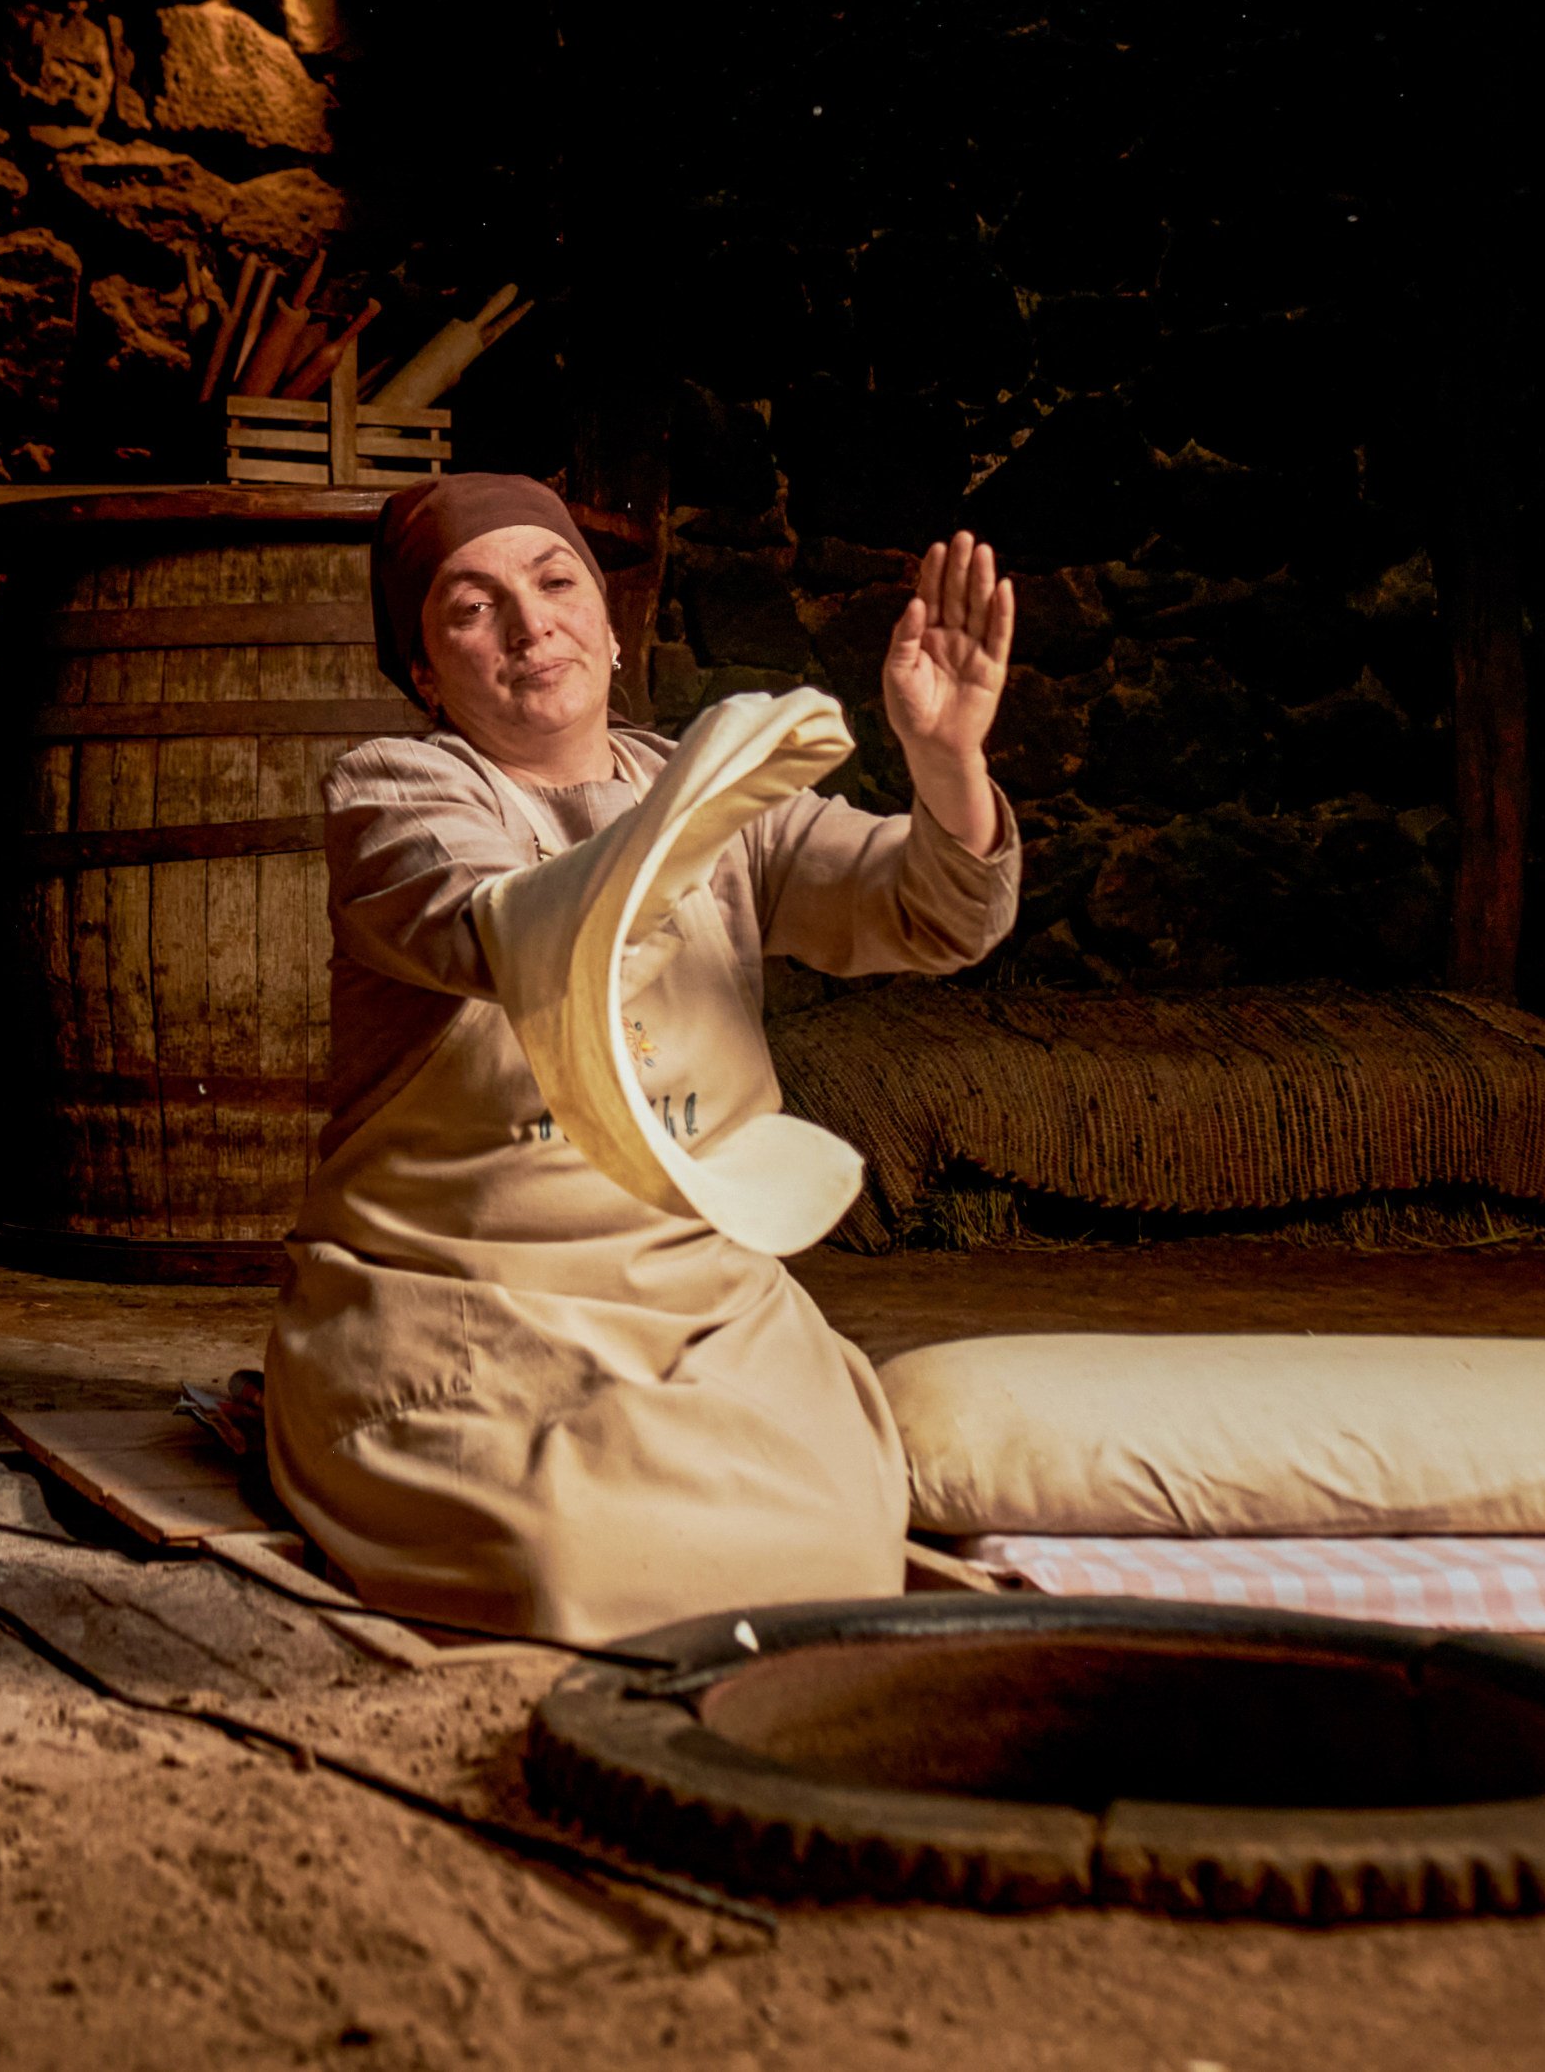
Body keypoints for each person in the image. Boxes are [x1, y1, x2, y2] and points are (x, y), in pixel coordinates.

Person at [267, 473, 1021, 1640]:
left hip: (702, 1301)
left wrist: (945, 763)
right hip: (459, 1299)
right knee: (558, 1558)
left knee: (840, 1540)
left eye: (556, 582)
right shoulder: (399, 788)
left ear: (611, 628)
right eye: (472, 607)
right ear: (424, 673)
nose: (530, 625)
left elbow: (933, 912)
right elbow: (500, 924)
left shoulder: (719, 794)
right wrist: (697, 807)